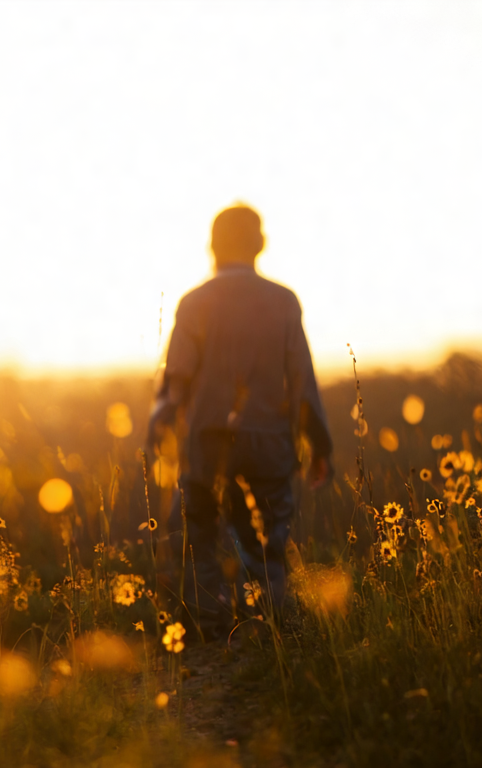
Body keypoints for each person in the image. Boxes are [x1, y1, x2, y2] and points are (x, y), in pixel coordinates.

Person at [148, 203, 332, 638]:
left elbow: (177, 380)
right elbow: (301, 380)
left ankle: (211, 625)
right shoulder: (283, 301)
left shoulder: (194, 303)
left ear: (212, 246)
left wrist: (159, 430)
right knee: (271, 537)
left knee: (201, 534)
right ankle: (273, 628)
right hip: (271, 441)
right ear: (260, 244)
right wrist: (319, 445)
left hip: (207, 440)